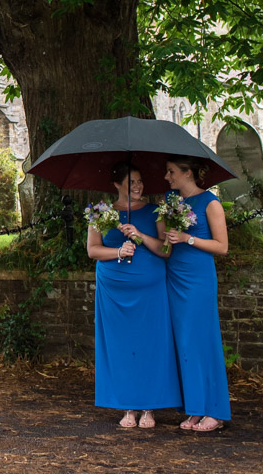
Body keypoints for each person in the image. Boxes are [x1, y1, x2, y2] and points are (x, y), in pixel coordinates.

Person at [87, 162, 182, 429]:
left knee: (150, 345)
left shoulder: (155, 211)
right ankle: (128, 407)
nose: (139, 186)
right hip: (114, 291)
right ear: (117, 185)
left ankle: (149, 408)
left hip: (149, 290)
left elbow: (165, 250)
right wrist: (118, 251)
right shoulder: (101, 213)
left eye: (140, 181)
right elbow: (93, 251)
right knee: (120, 347)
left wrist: (140, 235)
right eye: (132, 182)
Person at [163, 155, 231, 432]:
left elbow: (222, 246)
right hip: (174, 275)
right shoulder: (172, 201)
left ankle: (215, 410)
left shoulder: (210, 203)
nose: (167, 178)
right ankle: (194, 407)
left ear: (188, 173)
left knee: (203, 340)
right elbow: (167, 241)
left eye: (171, 172)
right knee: (184, 343)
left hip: (198, 278)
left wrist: (187, 238)